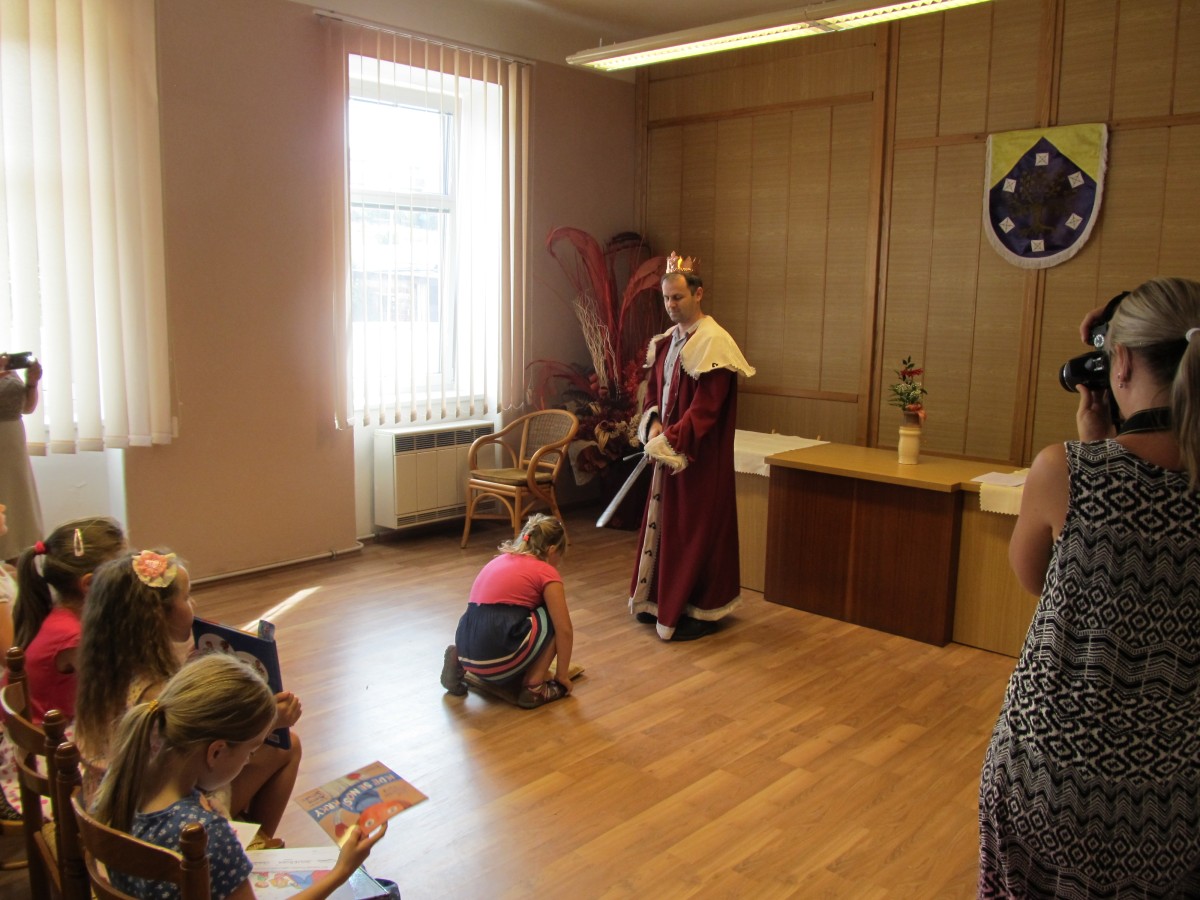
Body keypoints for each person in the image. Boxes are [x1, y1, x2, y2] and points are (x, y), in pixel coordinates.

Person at [978, 277, 1200, 897]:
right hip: (1175, 786)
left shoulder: (1067, 469)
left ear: (1118, 362)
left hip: (1051, 773)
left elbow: (1033, 577)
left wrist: (1093, 445)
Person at [92, 653, 385, 900]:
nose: (248, 761)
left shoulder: (122, 781)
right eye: (250, 752)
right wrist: (341, 871)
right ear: (216, 751)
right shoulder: (207, 836)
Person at [75, 550, 303, 840]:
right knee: (287, 746)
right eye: (186, 597)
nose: (192, 605)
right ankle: (251, 848)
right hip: (157, 820)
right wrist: (268, 722)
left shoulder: (108, 667)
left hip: (108, 802)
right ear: (158, 616)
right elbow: (207, 760)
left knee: (282, 747)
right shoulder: (156, 693)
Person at [627, 252, 755, 641]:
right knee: (669, 526)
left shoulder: (715, 341)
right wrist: (653, 426)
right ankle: (661, 601)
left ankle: (699, 609)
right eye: (666, 298)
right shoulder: (668, 342)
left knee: (696, 530)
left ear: (699, 294)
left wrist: (671, 439)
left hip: (698, 458)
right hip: (668, 452)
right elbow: (655, 392)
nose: (671, 305)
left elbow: (706, 409)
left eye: (678, 297)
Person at [441, 513, 574, 708]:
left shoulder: (498, 561)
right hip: (498, 660)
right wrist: (562, 676)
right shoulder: (545, 571)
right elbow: (565, 630)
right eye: (559, 556)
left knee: (501, 614)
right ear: (552, 549)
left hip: (466, 646)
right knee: (553, 615)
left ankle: (458, 660)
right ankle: (534, 687)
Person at [13, 516, 127, 722]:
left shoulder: (63, 616)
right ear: (89, 584)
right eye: (126, 573)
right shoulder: (74, 638)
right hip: (48, 737)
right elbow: (114, 703)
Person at [0, 353, 43, 561]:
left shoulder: (7, 363)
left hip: (14, 444)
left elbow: (27, 407)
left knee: (17, 500)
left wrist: (32, 383)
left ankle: (19, 561)